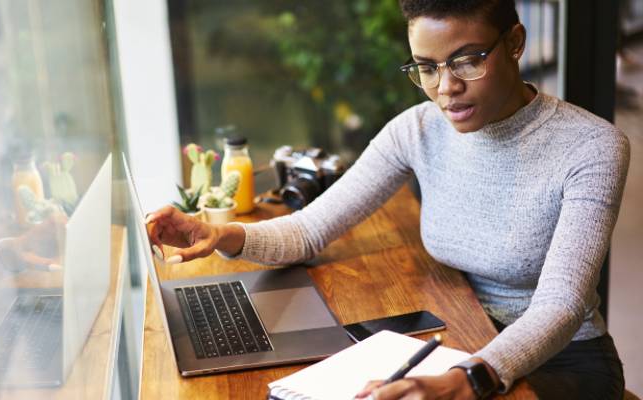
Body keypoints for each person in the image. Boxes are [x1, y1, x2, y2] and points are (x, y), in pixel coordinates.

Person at [145, 0, 629, 398]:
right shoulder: (418, 129)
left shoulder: (591, 146)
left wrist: (467, 378)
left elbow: (561, 305)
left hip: (563, 361)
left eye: (468, 60)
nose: (446, 88)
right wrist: (221, 234)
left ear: (515, 42)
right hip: (459, 334)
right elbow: (309, 229)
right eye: (427, 67)